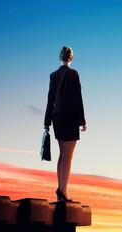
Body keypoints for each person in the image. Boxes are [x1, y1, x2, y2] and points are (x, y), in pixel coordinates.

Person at [44, 46, 87, 202]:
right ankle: (63, 190)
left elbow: (50, 99)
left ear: (60, 57)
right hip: (69, 117)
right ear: (72, 58)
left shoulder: (53, 76)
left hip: (57, 118)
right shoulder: (73, 74)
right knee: (68, 156)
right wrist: (82, 119)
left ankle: (60, 189)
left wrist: (46, 122)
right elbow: (78, 98)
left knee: (62, 155)